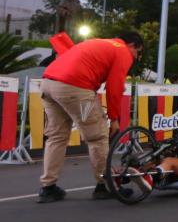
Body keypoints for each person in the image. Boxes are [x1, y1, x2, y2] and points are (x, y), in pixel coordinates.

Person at [37, 31, 144, 203]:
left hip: (49, 85)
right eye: (138, 53)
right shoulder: (122, 50)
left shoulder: (98, 42)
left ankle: (48, 188)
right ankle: (104, 185)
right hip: (76, 89)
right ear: (132, 45)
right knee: (97, 137)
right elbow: (115, 88)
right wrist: (114, 118)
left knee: (56, 137)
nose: (136, 58)